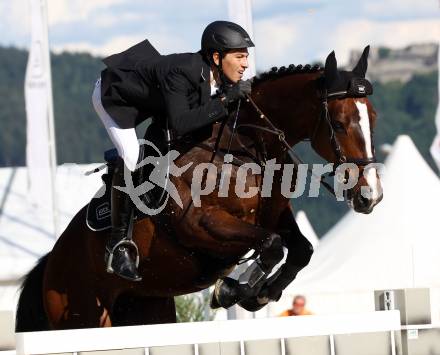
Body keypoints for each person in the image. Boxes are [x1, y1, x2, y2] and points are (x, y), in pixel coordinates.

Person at [92, 21, 255, 282]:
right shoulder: (183, 71)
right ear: (216, 57)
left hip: (154, 101)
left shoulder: (214, 76)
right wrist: (225, 101)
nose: (245, 63)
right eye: (239, 56)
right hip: (115, 96)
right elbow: (181, 123)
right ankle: (118, 243)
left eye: (246, 56)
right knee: (132, 156)